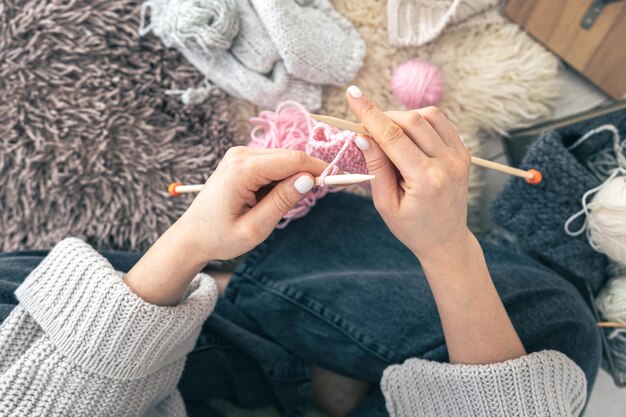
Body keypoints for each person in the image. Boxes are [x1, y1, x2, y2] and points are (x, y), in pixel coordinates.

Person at [0, 87, 601, 417]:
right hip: (189, 383)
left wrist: (188, 245)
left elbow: (51, 395)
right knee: (551, 332)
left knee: (18, 306)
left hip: (93, 371)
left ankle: (244, 297)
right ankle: (278, 321)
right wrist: (449, 251)